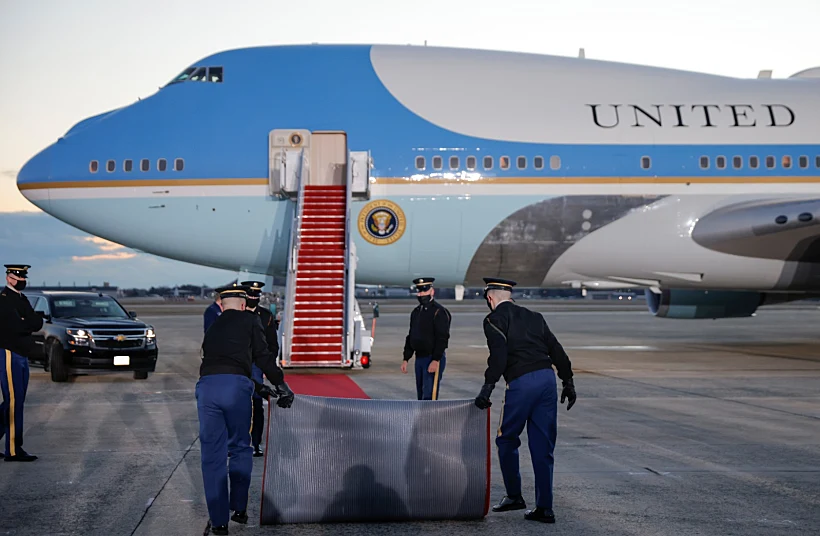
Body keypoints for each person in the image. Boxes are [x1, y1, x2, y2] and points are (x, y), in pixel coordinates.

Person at [473, 277, 577, 524]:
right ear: (509, 295)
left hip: (522, 383)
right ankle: (545, 508)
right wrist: (568, 382)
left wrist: (486, 390)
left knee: (506, 439)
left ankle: (514, 495)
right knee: (543, 447)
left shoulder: (493, 320)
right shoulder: (535, 317)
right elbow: (557, 351)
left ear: (490, 298)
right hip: (547, 381)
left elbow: (498, 358)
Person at [197, 283, 295, 535]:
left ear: (221, 304)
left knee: (212, 456)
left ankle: (218, 523)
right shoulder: (251, 320)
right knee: (241, 446)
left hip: (207, 388)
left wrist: (258, 388)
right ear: (243, 304)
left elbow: (220, 364)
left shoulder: (213, 327)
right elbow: (262, 356)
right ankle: (239, 507)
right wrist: (280, 384)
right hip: (234, 388)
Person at [0, 264, 43, 462]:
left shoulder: (20, 298)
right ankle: (13, 450)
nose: (22, 280)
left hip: (22, 354)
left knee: (14, 401)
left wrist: (27, 321)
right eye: (18, 277)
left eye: (24, 277)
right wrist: (27, 322)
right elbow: (16, 326)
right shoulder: (4, 300)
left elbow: (36, 322)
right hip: (10, 353)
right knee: (14, 402)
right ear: (9, 278)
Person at [241, 280, 279, 458]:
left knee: (257, 405)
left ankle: (255, 443)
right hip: (239, 364)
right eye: (251, 295)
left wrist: (268, 365)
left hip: (256, 365)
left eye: (256, 295)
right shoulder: (236, 315)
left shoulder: (265, 316)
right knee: (237, 405)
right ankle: (235, 441)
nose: (254, 298)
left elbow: (273, 344)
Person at [401, 277, 451, 400]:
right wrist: (406, 358)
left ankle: (430, 419)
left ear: (431, 291)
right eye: (419, 292)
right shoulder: (416, 312)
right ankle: (423, 418)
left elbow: (442, 338)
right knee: (421, 394)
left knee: (429, 395)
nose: (421, 294)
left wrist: (435, 360)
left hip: (432, 357)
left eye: (424, 291)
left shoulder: (439, 312)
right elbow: (411, 335)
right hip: (419, 358)